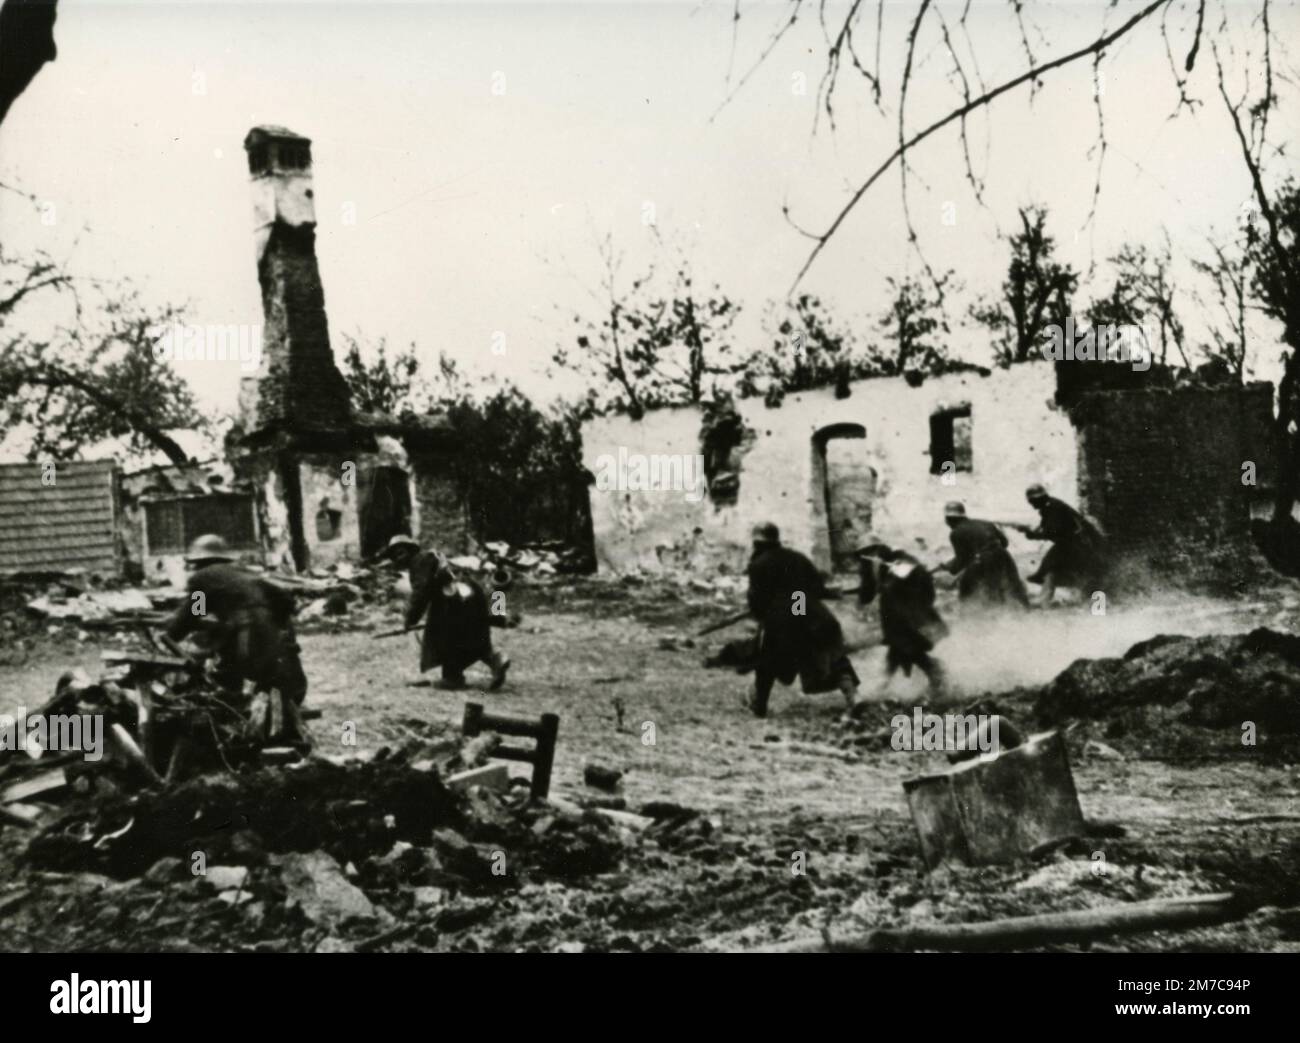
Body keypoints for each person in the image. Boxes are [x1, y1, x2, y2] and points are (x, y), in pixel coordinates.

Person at [164, 534, 308, 707]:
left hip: (246, 631)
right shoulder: (242, 573)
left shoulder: (202, 578)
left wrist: (170, 635)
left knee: (231, 677)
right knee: (267, 676)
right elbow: (284, 600)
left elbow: (194, 615)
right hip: (267, 626)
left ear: (198, 560)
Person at [743, 522, 858, 718]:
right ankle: (854, 698)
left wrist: (763, 616)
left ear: (757, 543)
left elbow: (758, 603)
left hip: (788, 619)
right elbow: (818, 589)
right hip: (816, 616)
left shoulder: (758, 565)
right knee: (835, 659)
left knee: (766, 662)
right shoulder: (798, 558)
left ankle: (759, 706)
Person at [379, 535, 510, 690]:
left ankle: (452, 677)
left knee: (443, 636)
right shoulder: (430, 558)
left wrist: (410, 619)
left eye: (401, 553)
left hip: (454, 599)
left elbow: (421, 593)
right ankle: (495, 658)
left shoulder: (420, 561)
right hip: (469, 593)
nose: (398, 558)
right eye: (395, 556)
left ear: (411, 550)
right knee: (472, 633)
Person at [856, 539, 949, 701]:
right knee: (899, 648)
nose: (870, 557)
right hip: (897, 616)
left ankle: (936, 675)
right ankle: (884, 684)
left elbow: (919, 584)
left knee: (906, 647)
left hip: (907, 616)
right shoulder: (875, 565)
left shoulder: (901, 560)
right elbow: (868, 592)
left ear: (879, 549)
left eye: (872, 551)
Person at [1021, 484, 1108, 605]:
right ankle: (1046, 597)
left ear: (1038, 499)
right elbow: (1048, 527)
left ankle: (1045, 598)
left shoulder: (1053, 508)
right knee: (1054, 567)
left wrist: (1033, 535)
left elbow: (1054, 531)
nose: (1031, 504)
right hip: (1074, 543)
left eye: (1032, 501)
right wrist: (1032, 532)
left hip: (1076, 544)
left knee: (1055, 566)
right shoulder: (1051, 506)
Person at [936, 501, 1030, 609]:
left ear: (949, 519)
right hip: (1004, 556)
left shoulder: (956, 533)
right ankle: (1026, 611)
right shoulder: (986, 523)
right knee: (1015, 589)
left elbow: (963, 560)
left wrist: (950, 569)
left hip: (984, 561)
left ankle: (972, 615)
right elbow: (1004, 543)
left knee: (967, 588)